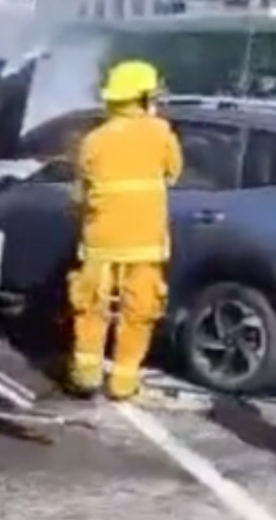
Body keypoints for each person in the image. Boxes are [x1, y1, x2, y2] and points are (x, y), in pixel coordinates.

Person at [66, 60, 183, 401]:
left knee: (91, 309)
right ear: (145, 97)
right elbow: (174, 172)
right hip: (144, 243)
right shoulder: (161, 133)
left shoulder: (94, 140)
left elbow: (78, 195)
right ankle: (123, 382)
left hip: (100, 242)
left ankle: (86, 376)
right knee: (139, 312)